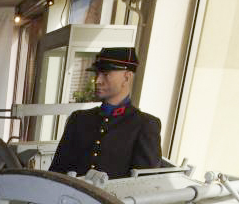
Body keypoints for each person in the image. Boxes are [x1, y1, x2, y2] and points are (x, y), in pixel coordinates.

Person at [48, 47, 162, 179]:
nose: (97, 80)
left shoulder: (145, 125)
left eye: (105, 74)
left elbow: (145, 183)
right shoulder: (79, 119)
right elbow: (57, 170)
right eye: (97, 74)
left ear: (126, 77)